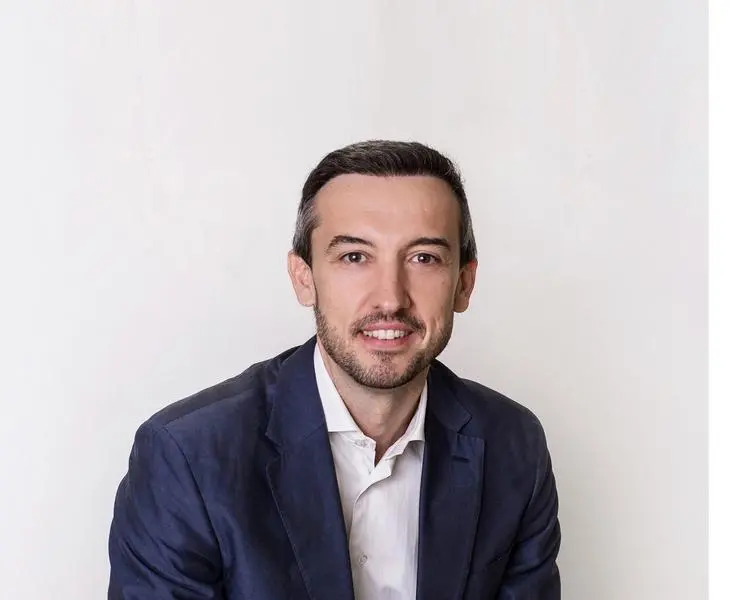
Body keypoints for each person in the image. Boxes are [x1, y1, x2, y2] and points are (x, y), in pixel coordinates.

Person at [108, 140, 561, 599]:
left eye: (423, 258)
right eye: (354, 257)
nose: (390, 298)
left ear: (464, 284)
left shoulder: (512, 446)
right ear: (303, 278)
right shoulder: (186, 457)